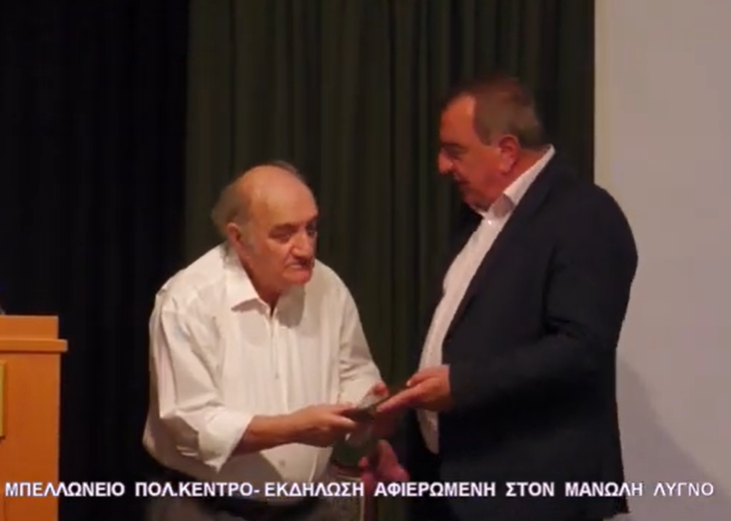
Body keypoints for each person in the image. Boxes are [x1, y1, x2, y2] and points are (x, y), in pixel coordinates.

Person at [370, 73, 638, 521]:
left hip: (535, 499)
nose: (441, 166)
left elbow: (582, 348)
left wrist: (462, 384)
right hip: (451, 491)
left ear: (507, 151)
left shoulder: (584, 214)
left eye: (455, 151)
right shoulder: (478, 218)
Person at [142, 161, 388, 521]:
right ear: (238, 238)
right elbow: (192, 425)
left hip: (311, 506)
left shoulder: (328, 287)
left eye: (311, 229)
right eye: (284, 235)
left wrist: (363, 406)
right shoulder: (188, 300)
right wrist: (295, 428)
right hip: (206, 507)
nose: (305, 249)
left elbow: (354, 369)